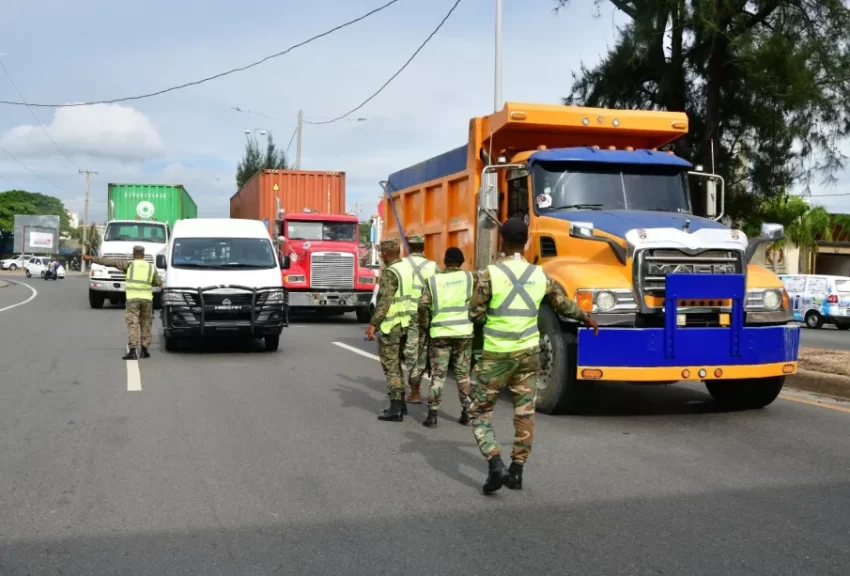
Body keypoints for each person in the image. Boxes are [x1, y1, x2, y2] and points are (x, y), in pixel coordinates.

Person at [468, 218, 599, 495]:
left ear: (501, 241)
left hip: (496, 356)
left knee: (479, 412)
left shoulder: (489, 275)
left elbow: (475, 314)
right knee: (524, 413)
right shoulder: (540, 276)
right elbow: (562, 304)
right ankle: (517, 472)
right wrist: (586, 317)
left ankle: (495, 464)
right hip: (528, 354)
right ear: (526, 242)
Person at [417, 246, 474, 428]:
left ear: (445, 261)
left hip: (440, 334)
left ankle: (432, 415)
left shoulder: (433, 281)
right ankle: (466, 412)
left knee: (438, 375)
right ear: (461, 263)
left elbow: (422, 306)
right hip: (464, 334)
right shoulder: (470, 278)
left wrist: (426, 325)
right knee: (462, 374)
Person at [83, 246, 163, 360]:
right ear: (143, 255)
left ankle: (132, 351)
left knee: (133, 324)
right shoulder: (151, 267)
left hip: (132, 299)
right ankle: (144, 351)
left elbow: (108, 262)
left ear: (134, 254)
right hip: (147, 300)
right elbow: (159, 283)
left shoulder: (128, 265)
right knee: (146, 324)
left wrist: (90, 258)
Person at [365, 238, 414, 422]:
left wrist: (373, 324)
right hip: (406, 323)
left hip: (391, 326)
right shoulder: (406, 269)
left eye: (381, 254)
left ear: (385, 254)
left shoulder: (390, 272)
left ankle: (395, 409)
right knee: (398, 366)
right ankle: (401, 405)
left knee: (391, 368)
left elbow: (384, 302)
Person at [400, 234, 437, 404]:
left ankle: (402, 388)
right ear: (424, 247)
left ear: (408, 246)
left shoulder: (400, 265)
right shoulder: (433, 266)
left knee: (405, 352)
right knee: (420, 352)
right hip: (422, 315)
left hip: (401, 316)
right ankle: (415, 388)